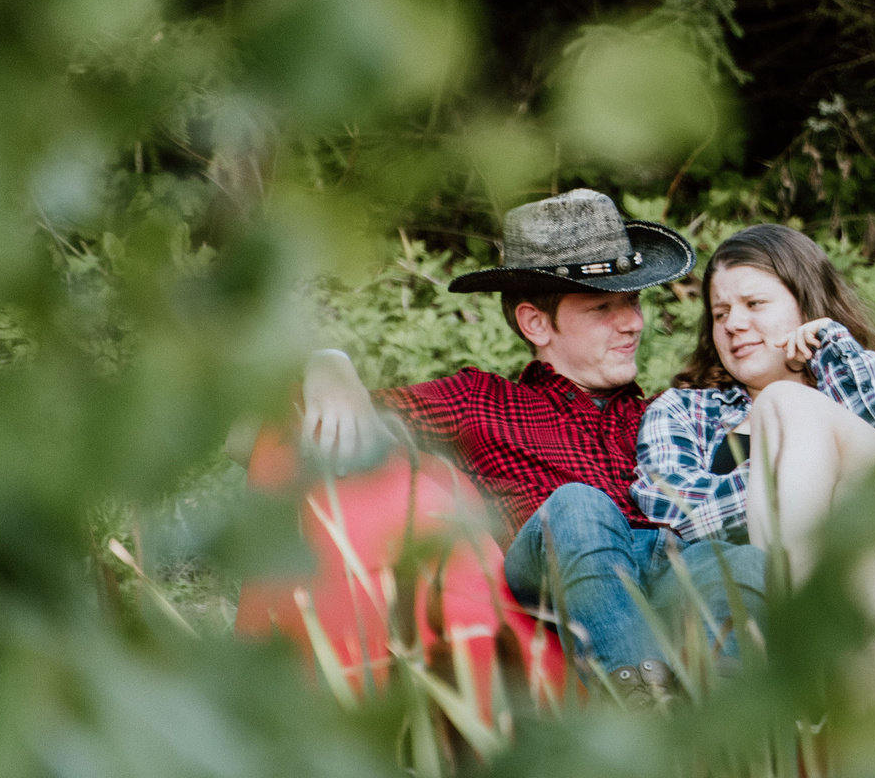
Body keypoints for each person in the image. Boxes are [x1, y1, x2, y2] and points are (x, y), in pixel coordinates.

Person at [298, 188, 764, 697]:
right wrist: (327, 366)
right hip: (554, 561)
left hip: (663, 564)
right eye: (603, 307)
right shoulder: (479, 399)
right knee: (579, 505)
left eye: (631, 302)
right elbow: (340, 421)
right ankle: (645, 701)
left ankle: (728, 727)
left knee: (739, 562)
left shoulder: (667, 414)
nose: (633, 322)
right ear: (536, 323)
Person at [632, 224, 875, 688]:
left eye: (754, 305)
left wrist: (834, 360)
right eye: (720, 312)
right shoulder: (685, 411)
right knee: (853, 495)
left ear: (806, 302)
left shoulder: (871, 377)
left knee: (786, 405)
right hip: (853, 581)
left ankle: (796, 650)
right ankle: (862, 740)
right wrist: (810, 471)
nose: (733, 324)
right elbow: (674, 514)